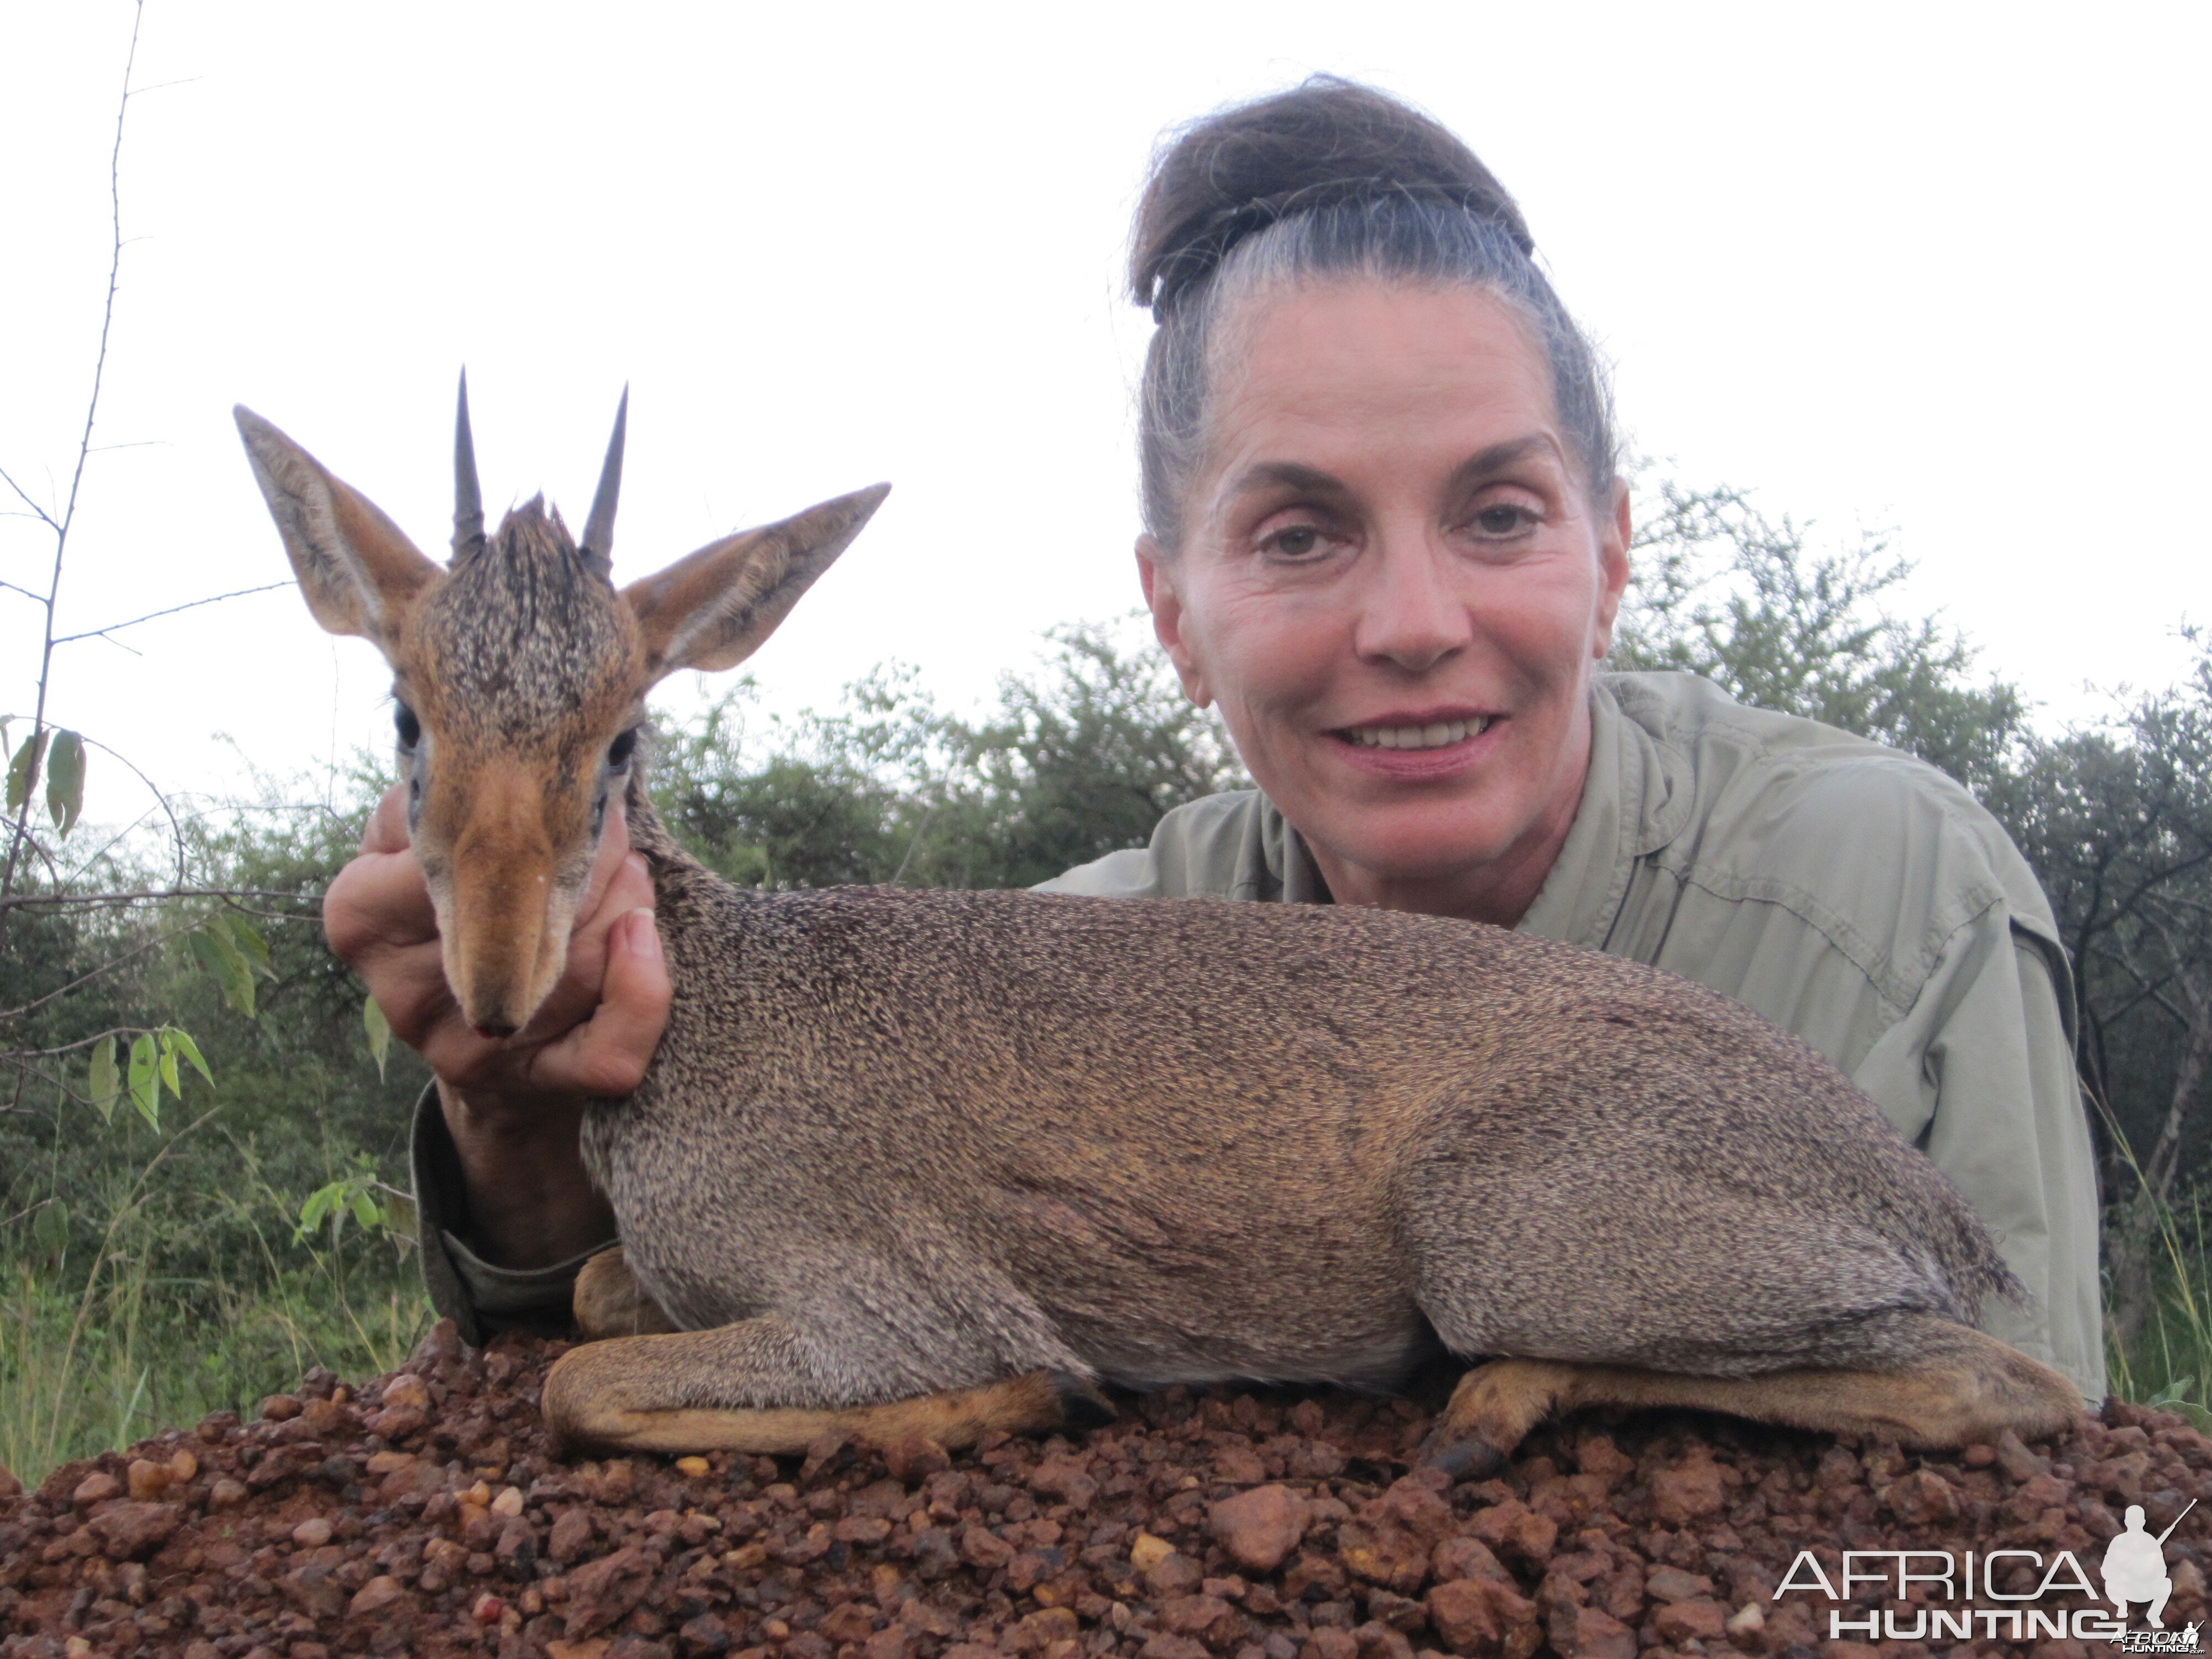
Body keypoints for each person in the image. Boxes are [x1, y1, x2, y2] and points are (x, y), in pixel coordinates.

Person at [327, 77, 2105, 1403]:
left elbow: (2060, 1487)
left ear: (1613, 551)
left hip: (1698, 1312)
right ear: (1170, 610)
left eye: (1497, 513)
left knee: (1510, 1260)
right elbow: (819, 1290)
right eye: (1301, 531)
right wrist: (516, 1094)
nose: (1412, 622)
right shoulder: (1072, 955)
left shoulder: (1886, 887)